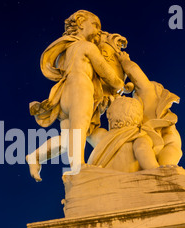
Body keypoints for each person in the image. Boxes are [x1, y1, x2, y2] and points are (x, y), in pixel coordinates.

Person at [27, 10, 125, 181]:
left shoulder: (65, 51)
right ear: (80, 23)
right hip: (81, 88)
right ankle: (79, 167)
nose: (98, 31)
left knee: (67, 140)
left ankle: (36, 156)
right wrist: (119, 83)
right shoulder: (87, 47)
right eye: (95, 25)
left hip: (64, 94)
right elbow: (105, 71)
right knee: (79, 129)